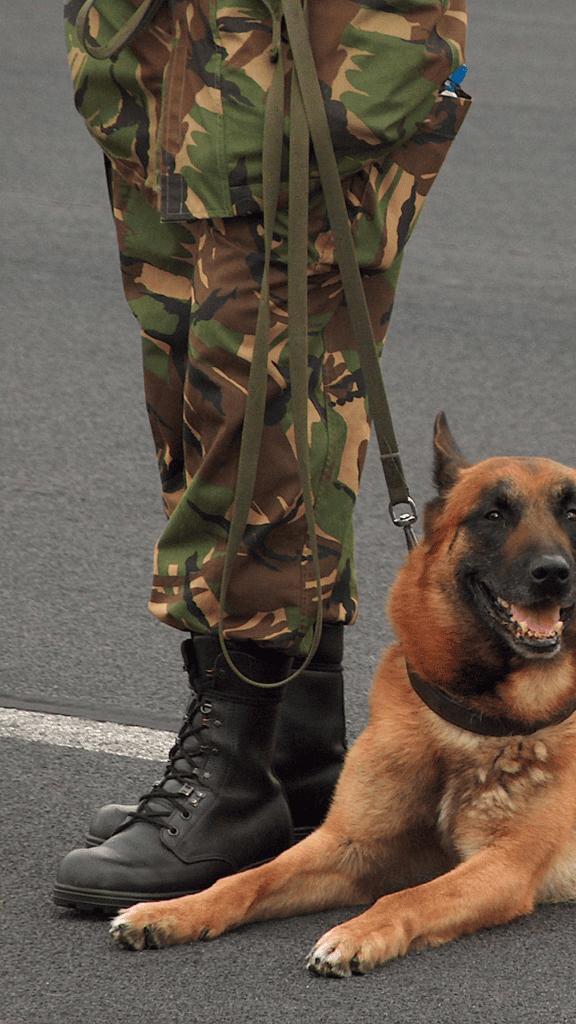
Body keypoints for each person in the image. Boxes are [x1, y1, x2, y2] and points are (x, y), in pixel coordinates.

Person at [52, 0, 469, 913]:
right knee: (196, 400)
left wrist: (339, 115)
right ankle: (296, 757)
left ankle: (236, 776)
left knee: (266, 424)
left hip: (298, 90)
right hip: (165, 81)